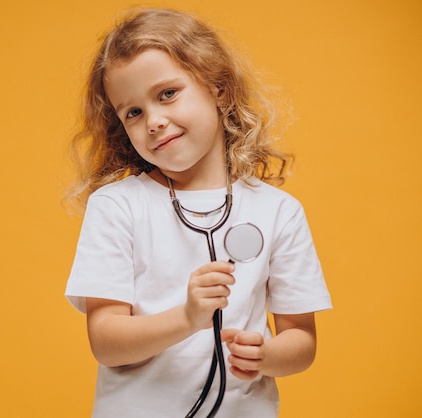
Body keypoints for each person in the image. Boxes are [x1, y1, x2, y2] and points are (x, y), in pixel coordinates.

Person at [64, 8, 331, 418]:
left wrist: (267, 357)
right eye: (132, 112)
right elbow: (106, 343)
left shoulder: (278, 211)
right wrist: (187, 317)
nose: (153, 121)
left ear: (218, 88)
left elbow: (302, 343)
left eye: (167, 93)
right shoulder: (117, 206)